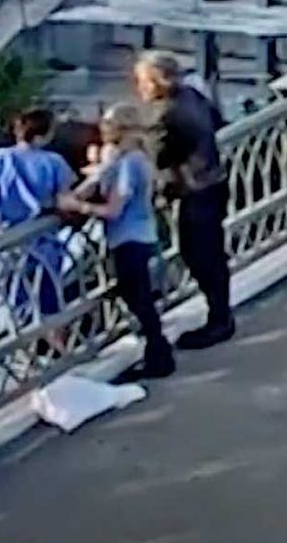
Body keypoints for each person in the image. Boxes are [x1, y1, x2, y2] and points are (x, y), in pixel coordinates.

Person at [64, 103, 175, 380]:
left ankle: (159, 355)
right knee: (137, 295)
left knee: (137, 298)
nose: (103, 131)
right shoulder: (136, 159)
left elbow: (114, 210)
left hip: (129, 238)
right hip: (142, 234)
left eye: (108, 126)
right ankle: (157, 352)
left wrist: (79, 207)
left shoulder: (130, 164)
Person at [133, 51, 235, 350]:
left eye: (142, 81)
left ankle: (219, 321)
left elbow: (158, 156)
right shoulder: (192, 96)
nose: (139, 87)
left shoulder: (164, 113)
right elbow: (218, 122)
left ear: (156, 83)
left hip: (195, 189)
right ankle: (221, 314)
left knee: (200, 255)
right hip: (214, 180)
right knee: (212, 253)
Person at [0, 109, 77, 327]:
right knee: (49, 303)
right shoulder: (54, 162)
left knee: (12, 304)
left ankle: (20, 351)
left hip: (5, 243)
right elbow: (65, 200)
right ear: (46, 134)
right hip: (43, 241)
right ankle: (54, 348)